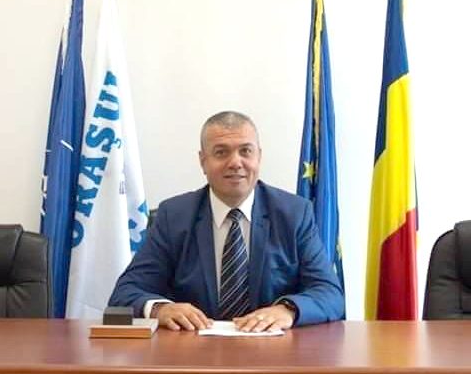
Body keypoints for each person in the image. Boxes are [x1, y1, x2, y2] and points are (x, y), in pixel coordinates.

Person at [109, 111, 344, 332]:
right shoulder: (174, 216)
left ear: (259, 157)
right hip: (193, 351)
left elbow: (330, 294)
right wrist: (160, 309)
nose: (235, 162)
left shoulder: (294, 214)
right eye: (221, 152)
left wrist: (288, 310)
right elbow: (124, 294)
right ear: (203, 161)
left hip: (273, 351)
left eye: (246, 151)